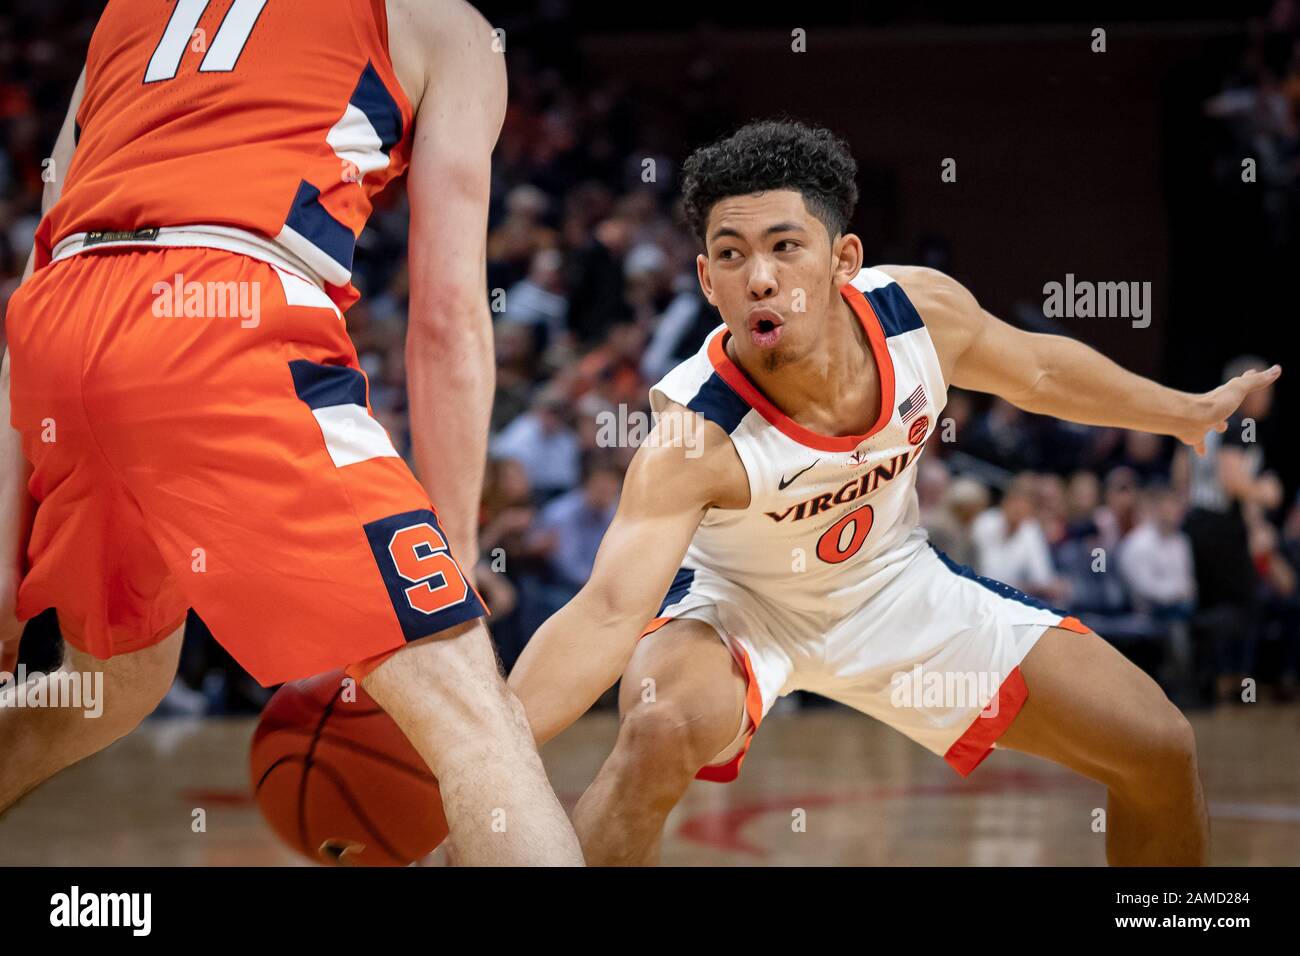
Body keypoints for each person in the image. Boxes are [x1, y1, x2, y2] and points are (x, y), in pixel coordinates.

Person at [506, 119, 1281, 865]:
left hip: (895, 587)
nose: (761, 277)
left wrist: (1180, 410)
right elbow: (608, 611)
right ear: (708, 279)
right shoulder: (693, 438)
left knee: (1159, 747)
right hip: (739, 609)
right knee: (655, 730)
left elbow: (1040, 371)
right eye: (731, 255)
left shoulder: (918, 316)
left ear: (843, 258)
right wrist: (487, 748)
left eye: (784, 246)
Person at [0, 0, 581, 865]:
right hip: (226, 308)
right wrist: (451, 558)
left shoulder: (124, 12)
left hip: (57, 318)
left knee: (103, 687)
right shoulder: (449, 26)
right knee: (470, 705)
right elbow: (450, 317)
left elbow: (40, 259)